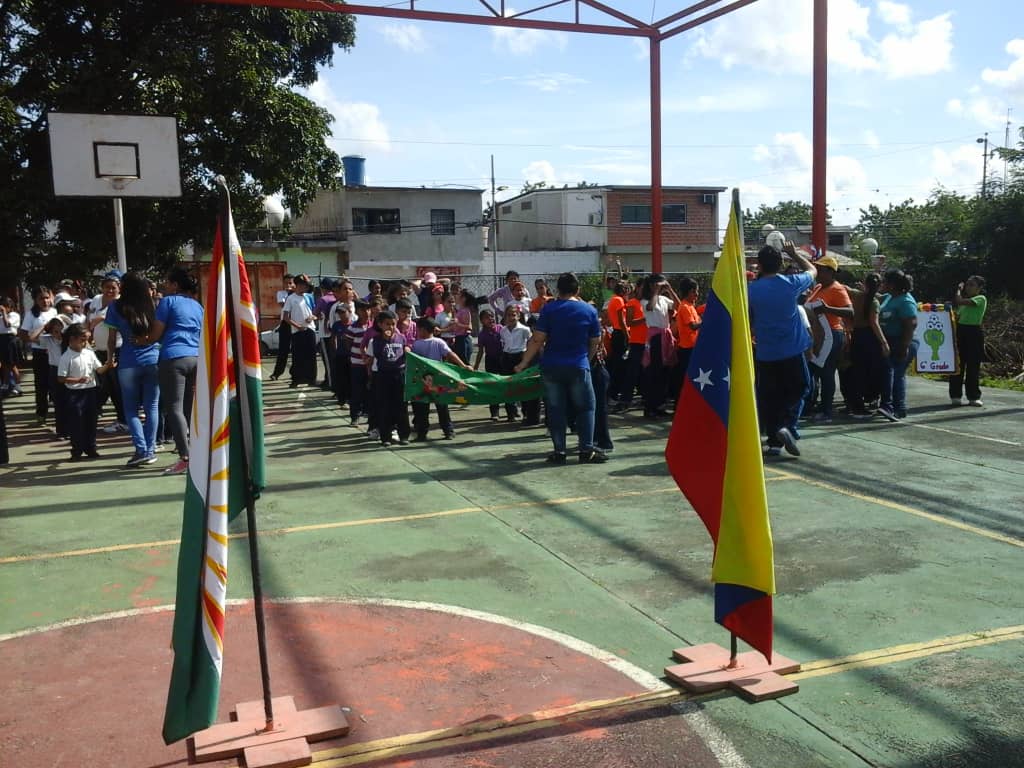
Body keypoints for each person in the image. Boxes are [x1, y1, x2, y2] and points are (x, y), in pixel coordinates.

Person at [515, 272, 605, 464]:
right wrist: (587, 361)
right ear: (577, 289)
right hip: (578, 365)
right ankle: (586, 449)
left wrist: (523, 363)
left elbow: (538, 339)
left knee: (556, 410)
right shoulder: (589, 310)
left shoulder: (549, 309)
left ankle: (560, 451)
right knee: (586, 407)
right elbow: (595, 341)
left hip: (552, 366)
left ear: (557, 290)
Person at [748, 241, 817, 457]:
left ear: (759, 265)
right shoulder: (790, 283)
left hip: (766, 351)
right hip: (792, 349)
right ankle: (788, 426)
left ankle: (774, 443)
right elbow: (812, 270)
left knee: (770, 396)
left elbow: (748, 317)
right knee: (801, 387)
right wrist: (794, 253)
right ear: (780, 264)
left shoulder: (751, 290)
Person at [137, 268, 203, 476]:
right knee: (188, 409)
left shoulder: (167, 302)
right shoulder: (197, 305)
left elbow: (156, 334)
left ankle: (185, 457)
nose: (164, 286)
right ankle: (198, 454)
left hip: (173, 358)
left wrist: (141, 340)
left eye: (167, 282)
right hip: (195, 357)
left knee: (173, 408)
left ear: (175, 285)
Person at [105, 271, 161, 467]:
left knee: (131, 409)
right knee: (152, 406)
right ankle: (151, 449)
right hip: (153, 360)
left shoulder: (115, 306)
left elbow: (112, 339)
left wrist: (110, 359)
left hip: (128, 362)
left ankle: (141, 449)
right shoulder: (153, 305)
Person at [803, 256, 853, 423]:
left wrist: (827, 308)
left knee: (826, 374)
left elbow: (850, 312)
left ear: (831, 272)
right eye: (817, 269)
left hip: (831, 336)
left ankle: (826, 411)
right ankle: (812, 406)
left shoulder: (837, 289)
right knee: (813, 372)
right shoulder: (818, 287)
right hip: (817, 337)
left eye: (822, 269)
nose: (818, 272)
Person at [57, 323, 115, 460]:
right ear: (72, 339)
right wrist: (78, 380)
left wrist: (108, 365)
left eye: (88, 339)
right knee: (76, 422)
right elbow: (61, 378)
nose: (86, 343)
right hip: (74, 394)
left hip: (90, 392)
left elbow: (98, 370)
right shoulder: (66, 357)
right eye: (82, 339)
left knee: (91, 421)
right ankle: (76, 450)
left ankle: (91, 448)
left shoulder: (89, 353)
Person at [410, 317, 471, 441]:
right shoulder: (439, 342)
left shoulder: (416, 344)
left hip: (423, 380)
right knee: (442, 407)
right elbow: (450, 354)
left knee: (422, 408)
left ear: (422, 330)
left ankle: (422, 433)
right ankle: (448, 431)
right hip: (438, 379)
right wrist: (463, 365)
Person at [86, 272, 127, 433]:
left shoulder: (120, 304)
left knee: (116, 386)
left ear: (119, 289)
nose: (110, 291)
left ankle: (123, 420)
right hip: (99, 349)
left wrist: (97, 320)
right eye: (107, 287)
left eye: (113, 288)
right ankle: (117, 417)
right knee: (106, 385)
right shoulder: (96, 299)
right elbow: (89, 319)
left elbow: (98, 320)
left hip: (116, 348)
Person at [364, 310, 410, 447]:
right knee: (384, 407)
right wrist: (369, 376)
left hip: (398, 374)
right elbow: (370, 360)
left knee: (401, 406)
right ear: (380, 324)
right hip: (383, 376)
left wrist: (408, 350)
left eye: (393, 324)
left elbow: (406, 354)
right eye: (387, 324)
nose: (390, 327)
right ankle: (386, 437)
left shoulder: (401, 338)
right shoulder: (375, 341)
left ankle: (403, 435)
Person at [877, 269, 918, 421]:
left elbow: (911, 324)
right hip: (890, 340)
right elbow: (880, 297)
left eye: (885, 281)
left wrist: (904, 346)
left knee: (896, 374)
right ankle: (890, 406)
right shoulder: (890, 297)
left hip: (902, 341)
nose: (882, 284)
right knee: (889, 374)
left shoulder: (905, 301)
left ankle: (898, 408)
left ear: (892, 284)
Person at [845, 273, 888, 418]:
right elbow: (874, 323)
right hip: (869, 337)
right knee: (870, 372)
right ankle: (864, 404)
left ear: (865, 283)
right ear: (879, 286)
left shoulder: (857, 296)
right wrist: (884, 342)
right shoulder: (874, 302)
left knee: (856, 371)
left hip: (857, 335)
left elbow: (846, 288)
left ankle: (854, 404)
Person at [638, 273, 679, 418]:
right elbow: (650, 307)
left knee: (665, 371)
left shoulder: (663, 299)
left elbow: (678, 305)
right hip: (655, 336)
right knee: (654, 371)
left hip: (666, 335)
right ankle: (650, 406)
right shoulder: (645, 301)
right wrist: (655, 291)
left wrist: (670, 289)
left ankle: (660, 404)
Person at [19, 286, 57, 426]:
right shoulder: (32, 314)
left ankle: (59, 413)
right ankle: (41, 413)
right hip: (40, 354)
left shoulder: (55, 311)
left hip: (55, 353)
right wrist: (37, 340)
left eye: (47, 297)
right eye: (41, 298)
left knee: (56, 383)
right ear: (35, 300)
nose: (45, 301)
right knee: (41, 385)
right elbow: (23, 334)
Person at [949, 275, 987, 407]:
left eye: (972, 285)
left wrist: (958, 290)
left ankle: (973, 396)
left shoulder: (980, 298)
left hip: (974, 333)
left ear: (979, 288)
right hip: (960, 332)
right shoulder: (963, 304)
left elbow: (959, 300)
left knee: (973, 366)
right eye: (968, 284)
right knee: (958, 365)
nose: (968, 287)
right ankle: (955, 395)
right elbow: (957, 316)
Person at [499, 305, 538, 424]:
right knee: (508, 385)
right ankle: (511, 413)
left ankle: (526, 413)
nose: (511, 317)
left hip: (520, 357)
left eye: (514, 315)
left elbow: (531, 343)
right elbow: (504, 344)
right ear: (505, 317)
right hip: (507, 356)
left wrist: (525, 359)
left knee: (523, 385)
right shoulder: (503, 330)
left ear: (518, 316)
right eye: (509, 315)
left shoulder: (524, 330)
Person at [671, 277, 702, 401]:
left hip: (692, 347)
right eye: (694, 291)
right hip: (687, 348)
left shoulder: (690, 306)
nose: (696, 294)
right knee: (685, 378)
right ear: (688, 292)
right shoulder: (684, 307)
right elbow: (693, 326)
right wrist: (707, 321)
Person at [283, 274, 317, 387]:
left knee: (311, 355)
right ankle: (296, 379)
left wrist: (312, 317)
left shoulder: (309, 296)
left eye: (306, 286)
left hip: (310, 328)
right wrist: (297, 326)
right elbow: (286, 317)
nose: (305, 288)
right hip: (297, 331)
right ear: (296, 285)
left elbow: (315, 313)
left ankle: (311, 378)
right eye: (302, 285)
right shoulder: (291, 298)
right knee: (298, 356)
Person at [473, 308, 504, 421]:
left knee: (507, 383)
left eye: (491, 316)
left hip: (503, 360)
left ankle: (512, 411)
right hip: (491, 361)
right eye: (486, 317)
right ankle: (494, 412)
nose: (490, 319)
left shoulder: (501, 329)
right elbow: (481, 351)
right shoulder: (482, 335)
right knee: (493, 385)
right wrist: (476, 366)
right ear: (482, 321)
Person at [270, 273, 295, 380]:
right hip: (285, 323)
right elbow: (283, 305)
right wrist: (290, 293)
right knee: (283, 349)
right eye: (286, 283)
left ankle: (295, 373)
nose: (288, 285)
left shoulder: (297, 295)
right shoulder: (281, 293)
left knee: (296, 349)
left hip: (295, 322)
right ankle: (277, 373)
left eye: (290, 282)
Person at [0, 296, 23, 396]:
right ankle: (5, 384)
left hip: (10, 340)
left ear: (10, 306)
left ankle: (18, 386)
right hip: (2, 339)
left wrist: (4, 312)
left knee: (12, 365)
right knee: (5, 364)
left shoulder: (14, 315)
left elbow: (7, 325)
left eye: (6, 306)